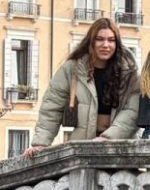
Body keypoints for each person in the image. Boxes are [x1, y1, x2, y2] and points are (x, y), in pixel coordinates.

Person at [25, 18, 140, 156]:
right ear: (91, 41)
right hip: (82, 150)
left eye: (111, 40)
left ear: (117, 43)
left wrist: (108, 138)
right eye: (99, 39)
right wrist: (40, 143)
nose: (105, 45)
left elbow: (133, 110)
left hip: (120, 149)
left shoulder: (129, 72)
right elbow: (52, 107)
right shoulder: (71, 69)